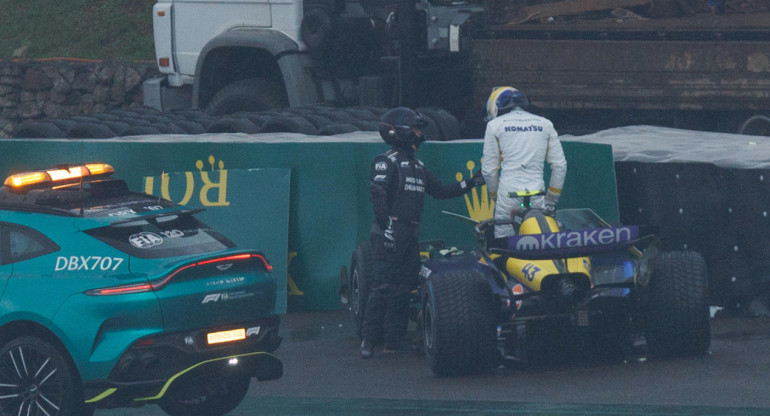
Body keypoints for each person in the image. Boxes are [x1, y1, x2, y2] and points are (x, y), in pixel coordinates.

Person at [360, 107, 484, 359]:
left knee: (404, 289)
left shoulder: (418, 166)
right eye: (415, 128)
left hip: (410, 235)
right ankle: (368, 341)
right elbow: (378, 194)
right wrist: (386, 227)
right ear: (399, 131)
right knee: (382, 287)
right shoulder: (386, 160)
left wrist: (471, 183)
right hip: (389, 233)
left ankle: (393, 341)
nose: (419, 133)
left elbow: (439, 190)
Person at [481, 86, 567, 239]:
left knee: (505, 245)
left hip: (508, 193)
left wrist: (495, 197)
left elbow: (488, 170)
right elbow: (560, 166)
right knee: (540, 242)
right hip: (537, 192)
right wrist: (551, 201)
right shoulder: (545, 124)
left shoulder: (494, 125)